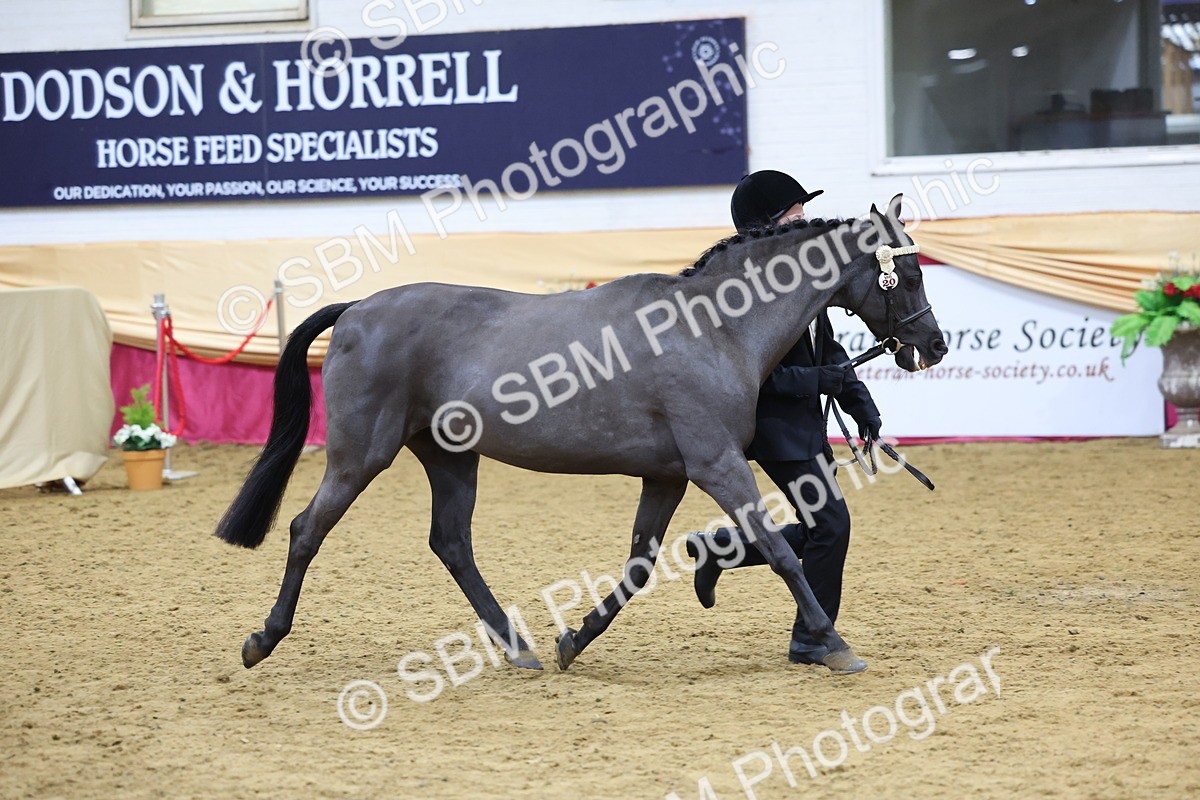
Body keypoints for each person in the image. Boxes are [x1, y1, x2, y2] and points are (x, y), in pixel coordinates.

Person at [685, 170, 882, 666]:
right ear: (764, 228)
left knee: (821, 528)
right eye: (795, 218)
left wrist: (860, 404)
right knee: (831, 525)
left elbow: (828, 350)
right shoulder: (745, 296)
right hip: (774, 428)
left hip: (806, 425)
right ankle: (812, 638)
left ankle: (722, 549)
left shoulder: (803, 282)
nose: (805, 224)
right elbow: (758, 380)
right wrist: (819, 382)